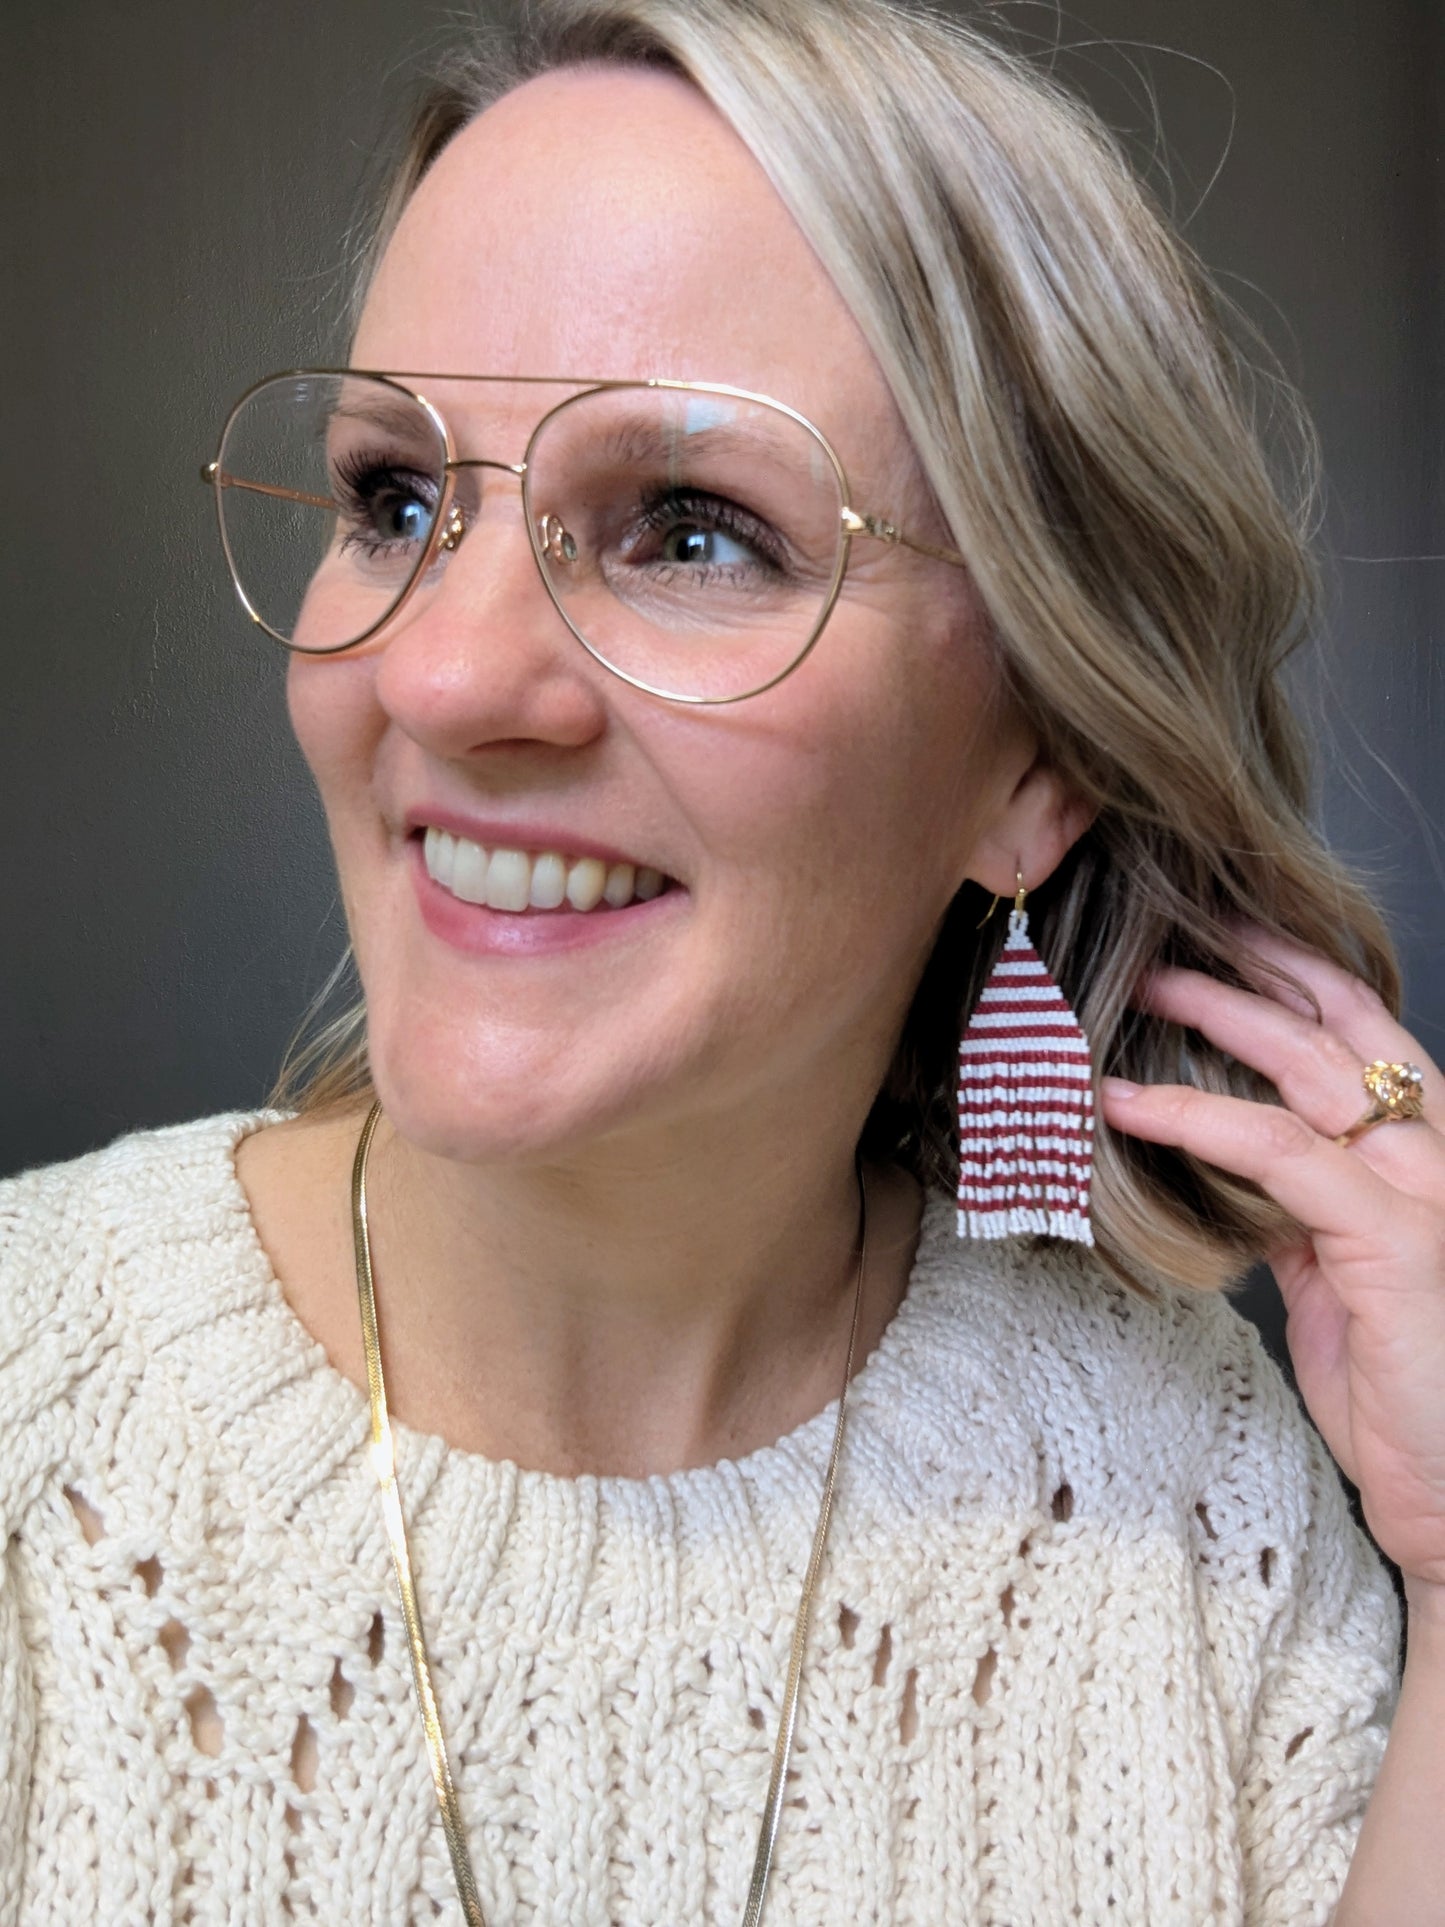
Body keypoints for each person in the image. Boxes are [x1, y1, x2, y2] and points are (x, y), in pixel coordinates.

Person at [3, 0, 1442, 1919]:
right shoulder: (37, 1423)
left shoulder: (1196, 1501)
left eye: (690, 531)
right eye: (394, 500)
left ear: (1035, 767)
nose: (434, 674)